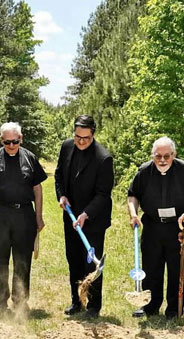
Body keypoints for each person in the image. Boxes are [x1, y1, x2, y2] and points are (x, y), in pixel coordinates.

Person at [127, 136, 184, 318]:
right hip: (152, 225)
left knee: (177, 269)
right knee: (151, 268)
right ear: (152, 155)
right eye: (158, 156)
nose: (162, 160)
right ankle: (149, 306)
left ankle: (174, 309)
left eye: (167, 156)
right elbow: (133, 195)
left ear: (174, 154)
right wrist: (133, 213)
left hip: (179, 228)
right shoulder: (144, 172)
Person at [0, 122, 47, 317]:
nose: (11, 145)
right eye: (7, 142)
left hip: (24, 214)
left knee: (22, 259)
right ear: (1, 140)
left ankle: (20, 300)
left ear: (21, 139)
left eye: (15, 141)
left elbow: (38, 190)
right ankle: (0, 302)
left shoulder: (30, 159)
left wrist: (38, 216)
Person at [54, 114, 114, 318]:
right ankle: (77, 301)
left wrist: (86, 214)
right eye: (77, 136)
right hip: (71, 217)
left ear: (93, 135)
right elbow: (59, 175)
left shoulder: (103, 158)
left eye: (85, 138)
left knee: (92, 263)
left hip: (93, 220)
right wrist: (61, 195)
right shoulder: (67, 147)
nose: (80, 141)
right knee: (74, 260)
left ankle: (93, 306)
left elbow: (103, 194)